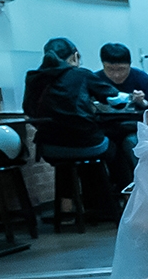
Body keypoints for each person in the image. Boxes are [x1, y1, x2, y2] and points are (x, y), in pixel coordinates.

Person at [23, 37, 129, 212]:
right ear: (75, 56)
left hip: (49, 147)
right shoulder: (81, 74)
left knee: (67, 158)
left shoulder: (33, 78)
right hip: (87, 144)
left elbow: (29, 109)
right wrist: (129, 97)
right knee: (114, 148)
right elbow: (115, 100)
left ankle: (66, 207)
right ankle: (128, 200)